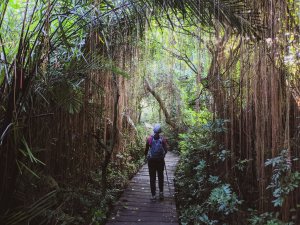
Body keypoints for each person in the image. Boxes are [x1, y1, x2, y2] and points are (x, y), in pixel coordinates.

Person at [144, 124, 168, 200]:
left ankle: (153, 195)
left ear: (154, 131)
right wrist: (162, 156)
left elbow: (146, 151)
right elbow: (166, 150)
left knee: (152, 178)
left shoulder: (149, 139)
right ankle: (161, 193)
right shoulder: (163, 139)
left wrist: (147, 156)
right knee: (161, 177)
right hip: (160, 161)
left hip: (151, 161)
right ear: (160, 131)